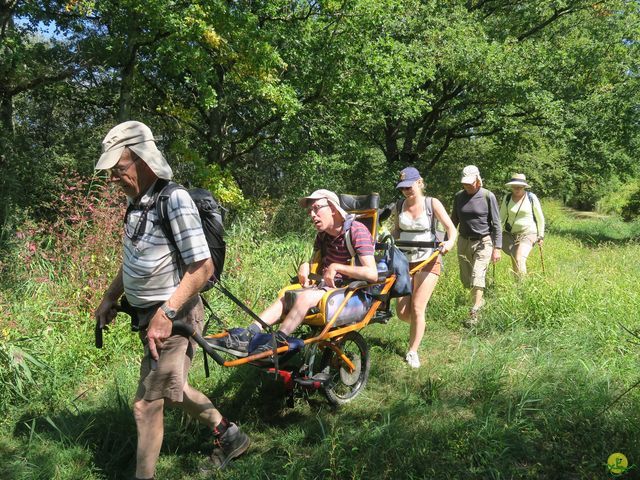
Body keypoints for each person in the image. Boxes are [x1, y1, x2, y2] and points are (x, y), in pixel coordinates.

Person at [93, 121, 249, 479]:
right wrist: (109, 297)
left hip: (174, 317)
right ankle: (230, 434)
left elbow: (202, 267)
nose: (113, 179)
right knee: (171, 389)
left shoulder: (173, 200)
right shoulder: (136, 202)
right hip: (152, 318)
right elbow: (133, 259)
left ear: (143, 162)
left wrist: (166, 312)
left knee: (146, 406)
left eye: (119, 169)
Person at [212, 189, 378, 355]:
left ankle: (277, 341)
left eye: (317, 208)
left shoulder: (357, 231)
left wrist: (337, 267)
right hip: (327, 289)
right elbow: (315, 262)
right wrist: (305, 265)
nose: (312, 215)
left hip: (351, 292)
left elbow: (372, 274)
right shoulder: (323, 235)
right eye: (310, 211)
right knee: (287, 296)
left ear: (333, 209)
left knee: (304, 298)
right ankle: (248, 333)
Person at [390, 167, 457, 368]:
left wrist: (449, 243)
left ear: (419, 182)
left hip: (429, 259)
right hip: (403, 261)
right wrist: (385, 241)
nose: (407, 191)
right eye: (403, 188)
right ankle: (419, 326)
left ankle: (412, 351)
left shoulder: (432, 203)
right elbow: (395, 231)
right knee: (402, 312)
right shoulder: (399, 205)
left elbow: (451, 229)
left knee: (418, 307)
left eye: (410, 186)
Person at [450, 165, 502, 327]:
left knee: (477, 276)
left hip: (483, 241)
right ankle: (480, 301)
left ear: (478, 181)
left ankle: (475, 312)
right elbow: (453, 221)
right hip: (464, 241)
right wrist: (447, 240)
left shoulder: (488, 196)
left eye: (470, 183)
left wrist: (497, 248)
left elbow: (496, 223)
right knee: (466, 279)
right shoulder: (459, 197)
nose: (467, 186)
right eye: (465, 183)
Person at [499, 173, 545, 277]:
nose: (517, 189)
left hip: (528, 233)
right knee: (515, 261)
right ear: (511, 186)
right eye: (515, 186)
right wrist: (495, 234)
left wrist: (541, 235)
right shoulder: (507, 198)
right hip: (510, 235)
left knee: (519, 258)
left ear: (524, 186)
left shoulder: (531, 197)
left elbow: (540, 218)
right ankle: (517, 287)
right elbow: (500, 218)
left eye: (519, 186)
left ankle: (522, 289)